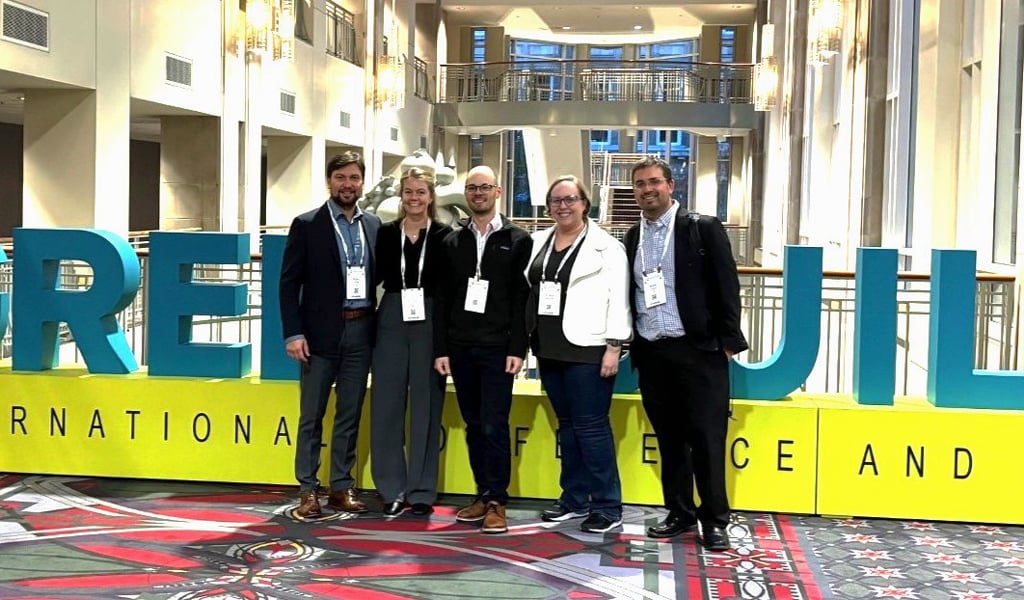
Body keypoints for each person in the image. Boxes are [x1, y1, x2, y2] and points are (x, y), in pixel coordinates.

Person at [623, 156, 748, 551]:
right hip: (654, 354)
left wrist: (727, 342)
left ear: (671, 185)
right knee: (669, 440)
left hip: (699, 351)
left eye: (654, 182)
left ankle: (714, 520)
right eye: (640, 184)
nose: (648, 190)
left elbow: (727, 286)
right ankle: (679, 511)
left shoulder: (701, 228)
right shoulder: (631, 237)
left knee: (708, 439)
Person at [524, 175, 632, 534]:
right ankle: (573, 499)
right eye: (556, 200)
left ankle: (607, 505)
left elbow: (620, 299)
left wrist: (614, 346)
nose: (563, 206)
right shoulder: (538, 241)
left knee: (591, 429)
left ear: (585, 203)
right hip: (549, 347)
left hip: (590, 349)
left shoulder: (608, 247)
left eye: (570, 199)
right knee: (567, 428)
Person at [279, 152, 382, 519]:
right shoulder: (307, 224)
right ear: (329, 181)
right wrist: (293, 333)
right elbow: (289, 283)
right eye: (340, 177)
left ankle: (341, 487)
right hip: (319, 336)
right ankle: (308, 489)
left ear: (362, 183)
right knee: (312, 416)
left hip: (360, 331)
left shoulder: (373, 225)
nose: (347, 184)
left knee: (349, 414)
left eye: (354, 177)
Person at [433, 166, 533, 535]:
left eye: (485, 187)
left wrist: (518, 348)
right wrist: (441, 348)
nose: (478, 193)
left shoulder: (518, 239)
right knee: (474, 424)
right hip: (460, 348)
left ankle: (497, 501)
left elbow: (523, 299)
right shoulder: (452, 241)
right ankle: (482, 492)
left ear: (499, 191)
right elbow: (442, 299)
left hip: (498, 349)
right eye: (472, 188)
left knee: (494, 424)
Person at [370, 167, 453, 517]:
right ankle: (390, 487)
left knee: (426, 407)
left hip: (431, 316)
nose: (414, 198)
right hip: (391, 313)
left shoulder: (446, 236)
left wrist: (444, 345)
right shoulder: (385, 234)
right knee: (386, 405)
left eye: (421, 192)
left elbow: (451, 293)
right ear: (400, 197)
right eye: (409, 192)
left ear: (431, 197)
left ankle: (421, 490)